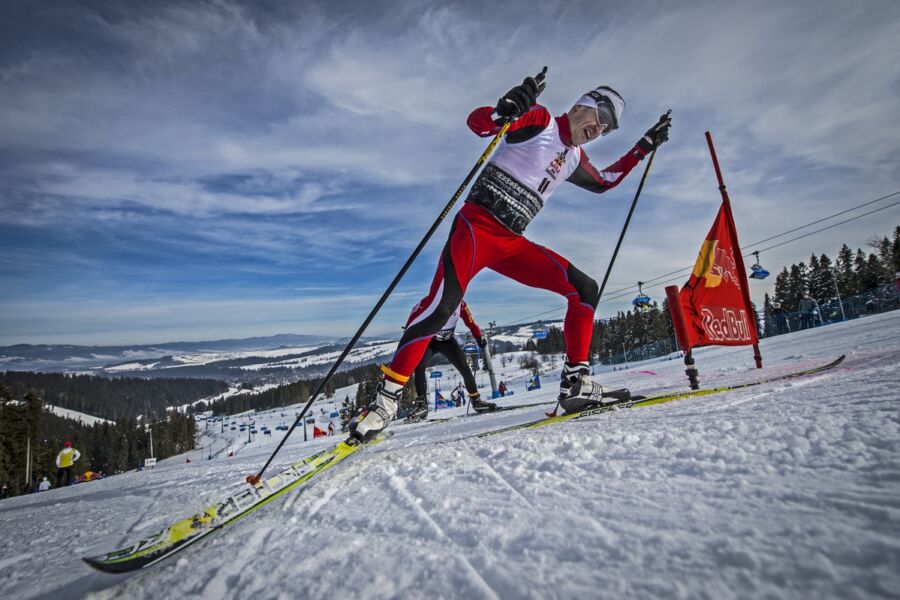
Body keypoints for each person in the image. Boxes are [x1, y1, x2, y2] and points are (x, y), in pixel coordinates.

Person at [350, 72, 671, 442]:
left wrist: (643, 147)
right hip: (475, 228)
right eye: (600, 114)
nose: (599, 128)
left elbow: (605, 181)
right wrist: (506, 108)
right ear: (582, 103)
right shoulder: (542, 120)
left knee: (584, 288)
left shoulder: (575, 158)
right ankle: (385, 403)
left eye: (608, 127)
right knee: (442, 307)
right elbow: (481, 123)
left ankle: (575, 384)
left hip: (510, 241)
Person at [407, 300, 497, 422]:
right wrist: (408, 332)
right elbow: (414, 315)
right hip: (430, 341)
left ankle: (476, 401)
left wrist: (478, 336)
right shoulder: (432, 299)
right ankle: (422, 406)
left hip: (448, 342)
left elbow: (471, 323)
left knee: (465, 367)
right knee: (419, 366)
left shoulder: (461, 304)